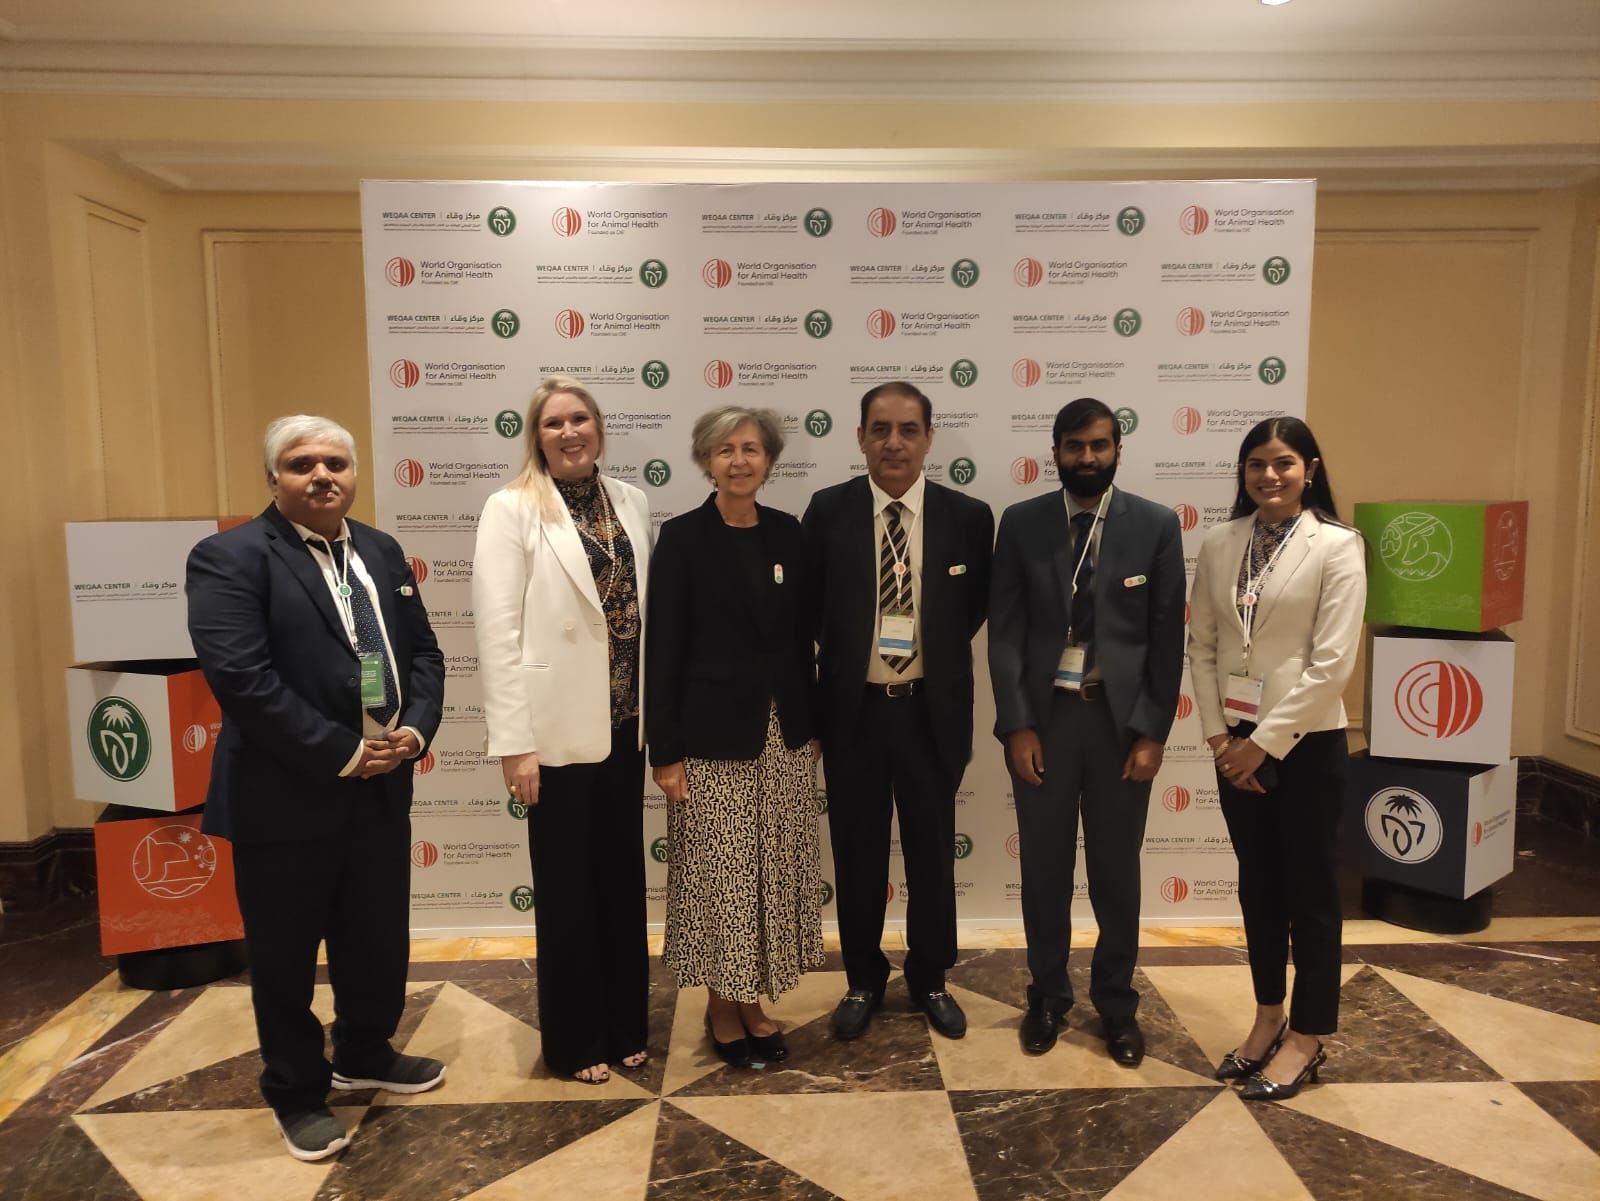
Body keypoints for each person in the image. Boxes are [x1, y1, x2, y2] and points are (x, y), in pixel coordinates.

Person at [186, 415, 446, 1162]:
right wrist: (343, 752)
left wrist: (414, 731)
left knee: (375, 937)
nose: (322, 475)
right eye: (302, 464)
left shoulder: (381, 550)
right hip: (285, 796)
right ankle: (296, 1090)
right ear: (274, 479)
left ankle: (365, 1050)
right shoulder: (230, 556)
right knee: (285, 956)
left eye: (336, 462)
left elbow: (424, 654)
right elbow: (243, 679)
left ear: (354, 474)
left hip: (381, 785)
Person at [988, 397, 1186, 1063]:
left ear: (1118, 450)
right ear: (1055, 451)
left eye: (1099, 445)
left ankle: (1116, 1003)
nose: (1088, 457)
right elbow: (1006, 635)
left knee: (1115, 872)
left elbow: (1167, 638)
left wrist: (1153, 731)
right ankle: (1047, 995)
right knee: (1045, 870)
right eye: (1075, 446)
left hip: (1118, 727)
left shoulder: (1155, 525)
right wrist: (1017, 725)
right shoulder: (1022, 524)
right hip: (1046, 723)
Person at [472, 377, 653, 1085]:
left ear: (599, 427)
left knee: (621, 881)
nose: (570, 431)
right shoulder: (511, 508)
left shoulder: (632, 502)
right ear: (537, 436)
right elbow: (497, 633)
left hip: (625, 726)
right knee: (567, 891)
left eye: (580, 418)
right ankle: (577, 1040)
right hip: (551, 733)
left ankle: (626, 1024)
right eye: (554, 423)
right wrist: (515, 744)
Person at [802, 381, 993, 1042]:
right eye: (880, 428)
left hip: (928, 713)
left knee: (932, 853)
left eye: (909, 429)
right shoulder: (828, 511)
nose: (894, 442)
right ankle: (863, 978)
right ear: (860, 437)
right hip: (852, 713)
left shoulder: (968, 517)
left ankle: (930, 977)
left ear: (929, 438)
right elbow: (811, 613)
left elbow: (969, 612)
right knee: (857, 852)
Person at [1187, 416, 1366, 1101]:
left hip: (1307, 745)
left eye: (1284, 462)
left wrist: (1261, 744)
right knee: (1258, 887)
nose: (1269, 475)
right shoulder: (1220, 541)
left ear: (1309, 470)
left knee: (1311, 894)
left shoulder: (1338, 546)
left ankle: (1308, 1035)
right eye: (1257, 463)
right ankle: (1268, 1017)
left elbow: (1332, 664)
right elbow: (1203, 646)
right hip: (1233, 744)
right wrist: (1219, 738)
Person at [646, 406, 823, 1067]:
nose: (739, 460)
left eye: (751, 448)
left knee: (769, 871)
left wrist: (810, 726)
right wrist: (665, 751)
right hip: (709, 740)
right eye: (725, 450)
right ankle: (723, 1007)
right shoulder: (683, 538)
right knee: (723, 876)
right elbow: (663, 650)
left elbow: (801, 639)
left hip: (782, 737)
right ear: (707, 461)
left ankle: (752, 1000)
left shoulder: (786, 532)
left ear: (768, 459)